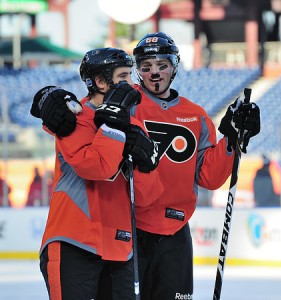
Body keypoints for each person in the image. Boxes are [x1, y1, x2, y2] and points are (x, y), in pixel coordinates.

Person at [31, 32, 261, 300]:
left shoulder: (195, 115)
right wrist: (48, 97)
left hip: (174, 232)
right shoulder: (124, 104)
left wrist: (231, 139)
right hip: (129, 229)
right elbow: (78, 115)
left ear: (174, 66)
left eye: (162, 66)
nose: (154, 73)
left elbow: (209, 176)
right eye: (145, 67)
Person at [30, 48, 163, 300]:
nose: (131, 83)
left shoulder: (133, 123)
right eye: (123, 76)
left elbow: (147, 197)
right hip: (74, 243)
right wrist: (113, 126)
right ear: (101, 82)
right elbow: (96, 167)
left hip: (120, 249)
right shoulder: (73, 118)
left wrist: (146, 164)